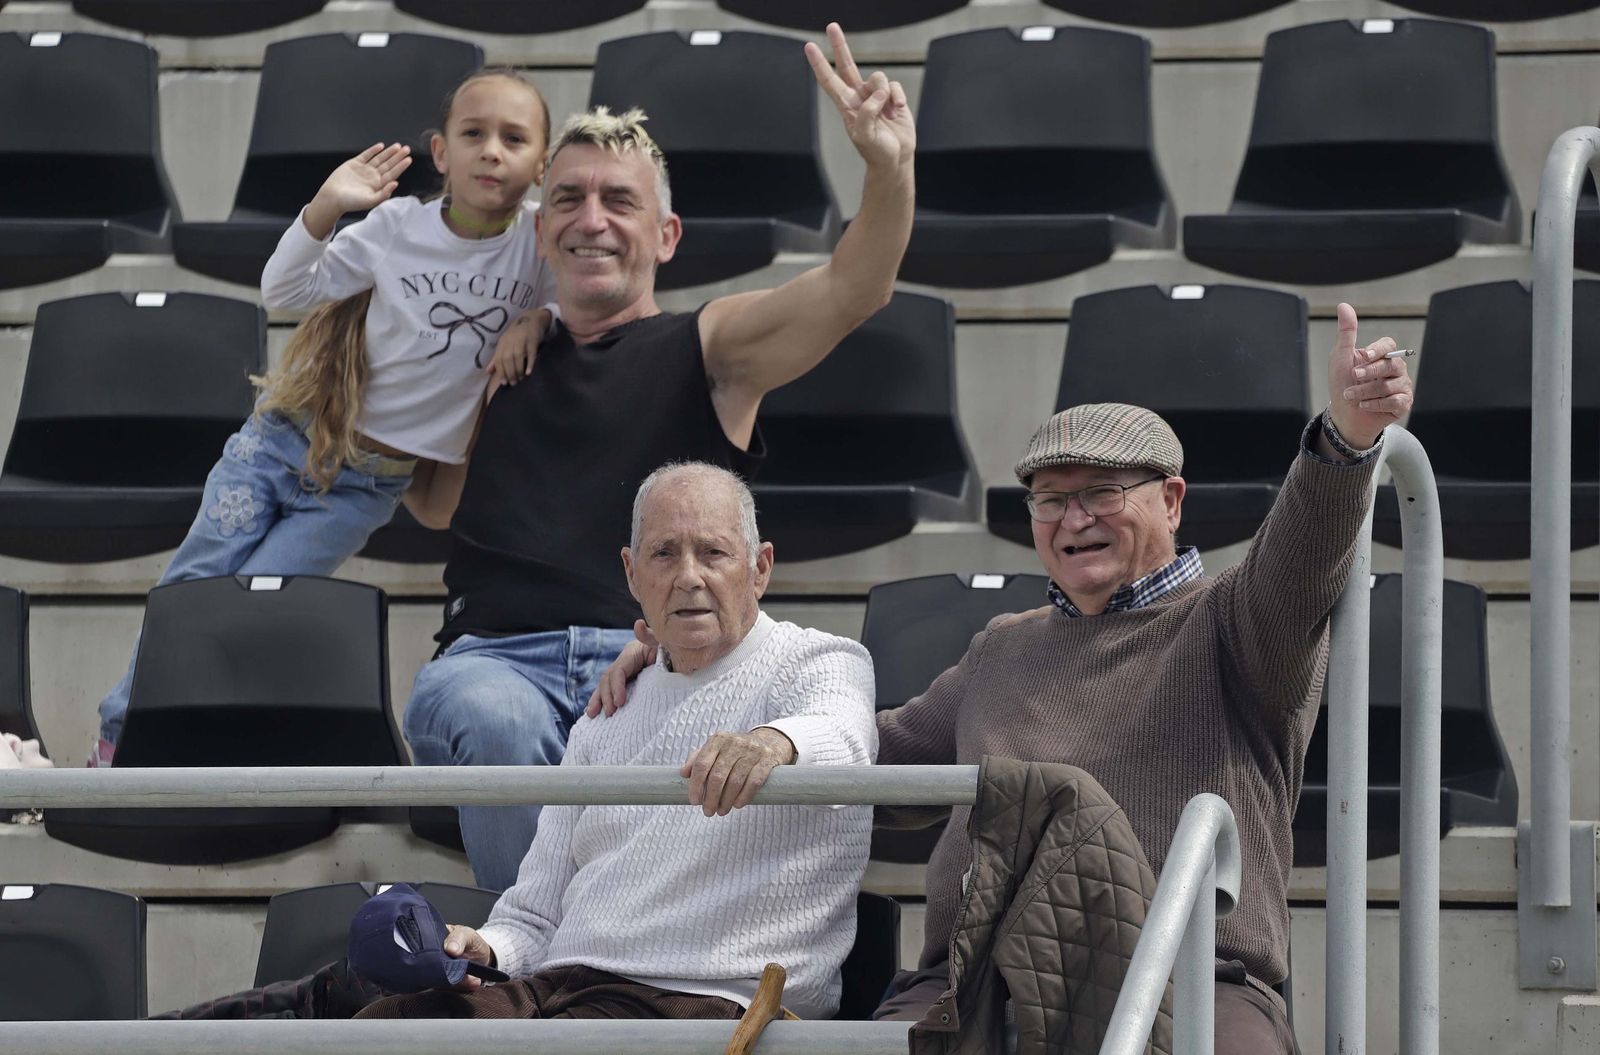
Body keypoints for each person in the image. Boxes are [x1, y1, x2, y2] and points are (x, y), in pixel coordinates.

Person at [591, 304, 1414, 1054]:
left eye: (1100, 492)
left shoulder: (1237, 621)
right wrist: (693, 657)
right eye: (1049, 499)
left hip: (1189, 978)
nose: (1072, 518)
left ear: (1171, 499)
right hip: (973, 983)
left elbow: (1305, 552)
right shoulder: (1003, 648)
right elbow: (858, 755)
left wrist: (1345, 441)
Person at [401, 22, 916, 891]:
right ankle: (555, 970)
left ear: (667, 235)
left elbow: (850, 289)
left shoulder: (708, 347)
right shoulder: (495, 355)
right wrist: (483, 363)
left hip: (651, 660)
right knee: (490, 719)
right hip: (490, 660)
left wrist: (888, 170)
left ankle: (549, 978)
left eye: (619, 201)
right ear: (537, 230)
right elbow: (430, 504)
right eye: (566, 199)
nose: (590, 219)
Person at [151, 462, 877, 1025]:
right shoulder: (609, 711)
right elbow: (535, 912)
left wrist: (774, 743)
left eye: (713, 552)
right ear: (631, 573)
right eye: (664, 553)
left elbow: (845, 733)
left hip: (706, 1003)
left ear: (761, 568)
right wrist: (487, 947)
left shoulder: (814, 662)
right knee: (377, 1029)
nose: (689, 575)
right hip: (567, 988)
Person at [91, 68, 558, 761]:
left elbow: (575, 305)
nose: (492, 150)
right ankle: (119, 736)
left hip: (365, 488)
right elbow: (284, 287)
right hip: (284, 444)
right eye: (474, 134)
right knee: (192, 590)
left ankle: (186, 744)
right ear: (440, 153)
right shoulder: (398, 227)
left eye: (514, 138)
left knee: (255, 608)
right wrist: (326, 206)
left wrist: (537, 322)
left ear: (542, 164)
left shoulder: (536, 247)